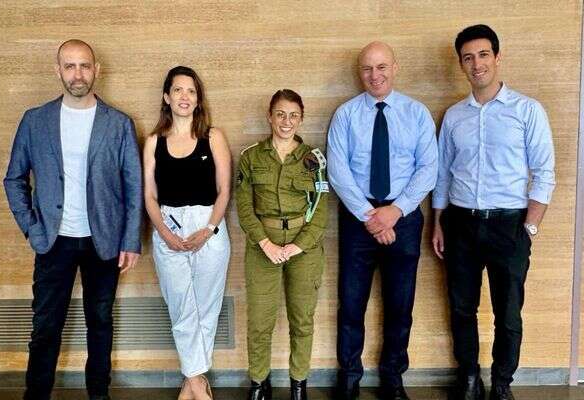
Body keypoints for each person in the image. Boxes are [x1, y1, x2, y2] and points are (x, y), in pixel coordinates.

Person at [3, 39, 142, 400]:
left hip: (104, 241)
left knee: (100, 323)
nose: (77, 74)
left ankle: (99, 394)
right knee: (45, 326)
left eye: (84, 66)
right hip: (53, 240)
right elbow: (14, 178)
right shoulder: (35, 120)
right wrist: (31, 227)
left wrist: (130, 240)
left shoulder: (119, 124)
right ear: (58, 70)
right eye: (70, 66)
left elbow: (134, 186)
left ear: (97, 70)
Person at [431, 25, 555, 400]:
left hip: (509, 225)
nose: (477, 64)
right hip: (460, 223)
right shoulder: (454, 116)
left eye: (483, 54)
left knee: (509, 312)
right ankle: (469, 378)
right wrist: (438, 223)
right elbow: (442, 174)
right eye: (468, 58)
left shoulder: (527, 110)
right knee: (461, 308)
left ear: (497, 57)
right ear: (461, 64)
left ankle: (502, 382)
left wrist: (529, 227)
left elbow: (545, 172)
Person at [327, 41, 438, 400]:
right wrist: (370, 216)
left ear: (395, 67)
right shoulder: (345, 115)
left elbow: (428, 168)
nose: (374, 75)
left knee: (400, 305)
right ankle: (349, 377)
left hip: (403, 218)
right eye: (367, 68)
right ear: (359, 72)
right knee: (351, 303)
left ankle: (392, 377)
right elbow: (338, 170)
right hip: (357, 218)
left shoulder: (416, 113)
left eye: (381, 67)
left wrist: (395, 211)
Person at [142, 66, 231, 400]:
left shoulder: (213, 136)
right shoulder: (154, 142)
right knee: (181, 307)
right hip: (168, 227)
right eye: (178, 90)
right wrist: (164, 233)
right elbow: (149, 195)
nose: (184, 97)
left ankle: (191, 381)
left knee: (206, 307)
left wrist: (208, 229)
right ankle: (198, 383)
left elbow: (224, 190)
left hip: (209, 225)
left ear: (198, 98)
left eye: (191, 91)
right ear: (166, 97)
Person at [235, 89, 328, 400]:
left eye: (293, 115)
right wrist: (266, 243)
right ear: (270, 116)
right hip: (263, 245)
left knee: (302, 319)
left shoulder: (313, 159)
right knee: (260, 321)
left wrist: (297, 246)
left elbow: (321, 209)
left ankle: (298, 383)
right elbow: (244, 208)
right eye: (280, 114)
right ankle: (259, 383)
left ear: (301, 119)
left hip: (304, 248)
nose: (286, 121)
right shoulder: (251, 157)